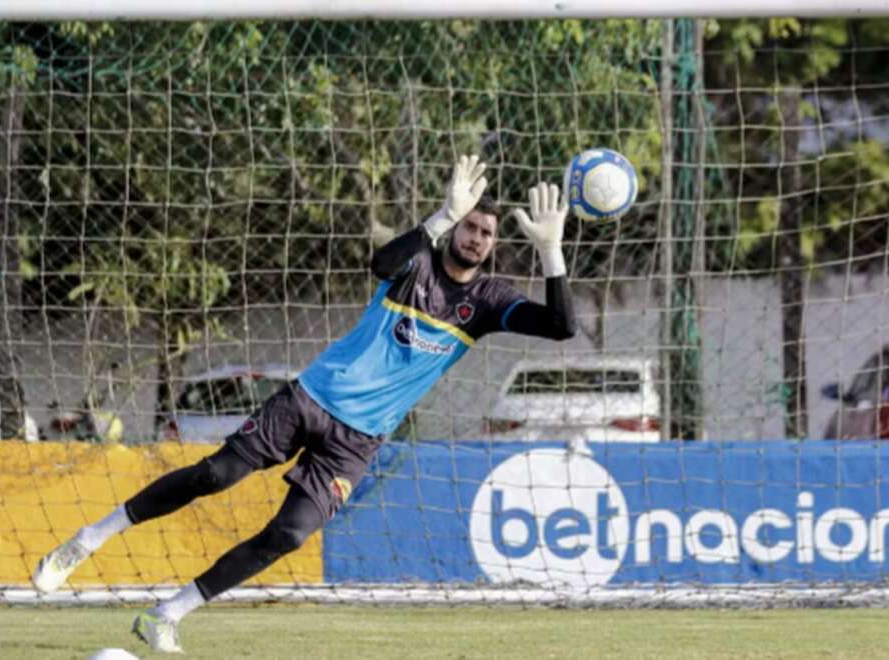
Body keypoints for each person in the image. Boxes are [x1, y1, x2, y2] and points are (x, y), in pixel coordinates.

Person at [31, 154, 576, 653]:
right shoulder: (419, 263)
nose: (477, 237)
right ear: (457, 226)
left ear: (494, 245)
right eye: (471, 225)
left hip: (358, 441)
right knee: (215, 475)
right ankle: (86, 540)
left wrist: (551, 250)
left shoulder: (488, 302)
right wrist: (438, 216)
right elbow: (381, 263)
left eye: (486, 233)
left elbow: (560, 326)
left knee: (289, 534)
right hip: (311, 398)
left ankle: (167, 614)